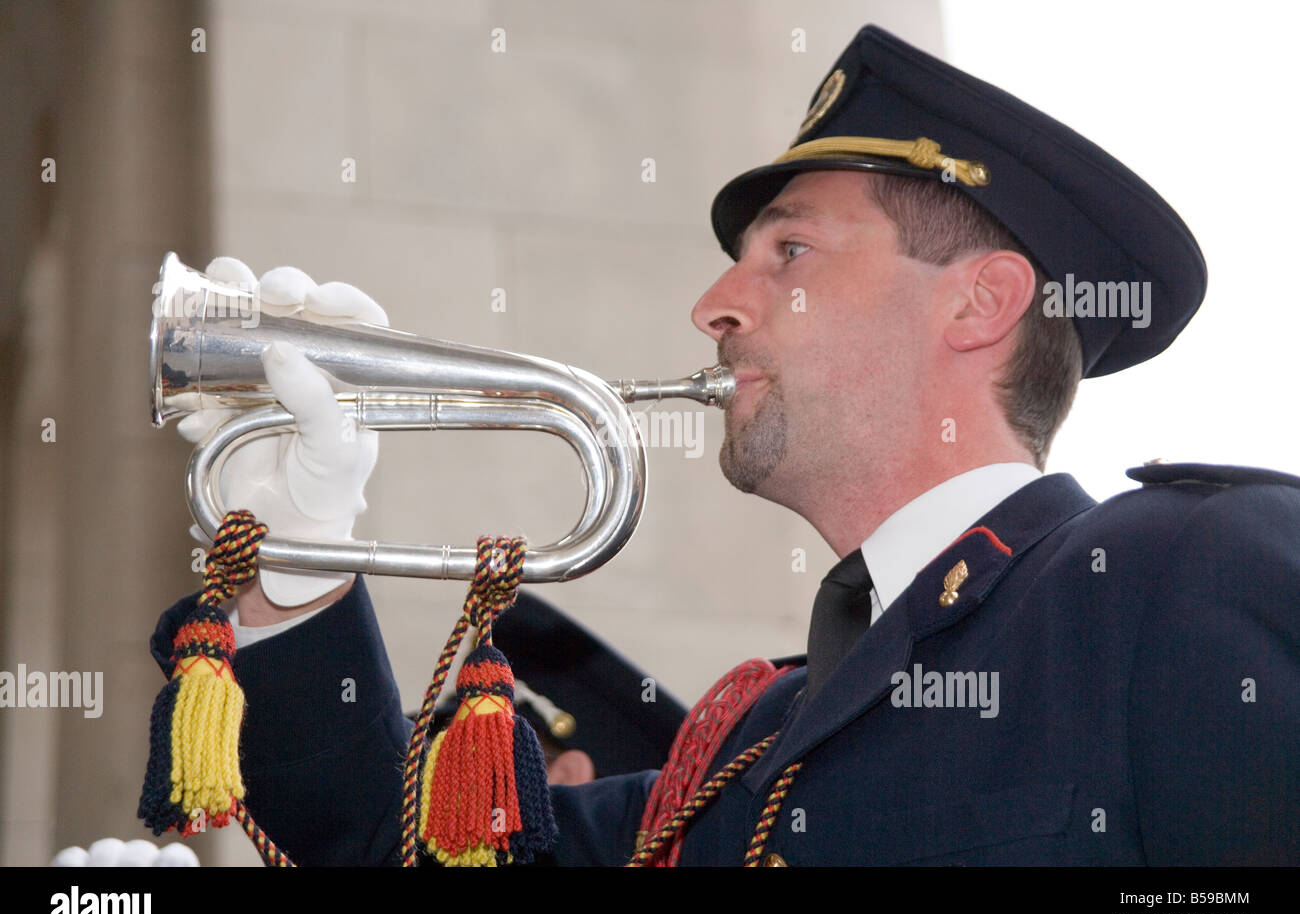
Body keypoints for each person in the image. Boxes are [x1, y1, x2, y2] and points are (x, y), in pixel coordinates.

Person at [150, 24, 1300, 866]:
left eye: (788, 252)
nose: (713, 303)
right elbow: (381, 849)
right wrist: (297, 568)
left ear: (978, 303)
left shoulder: (1181, 568)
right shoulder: (742, 750)